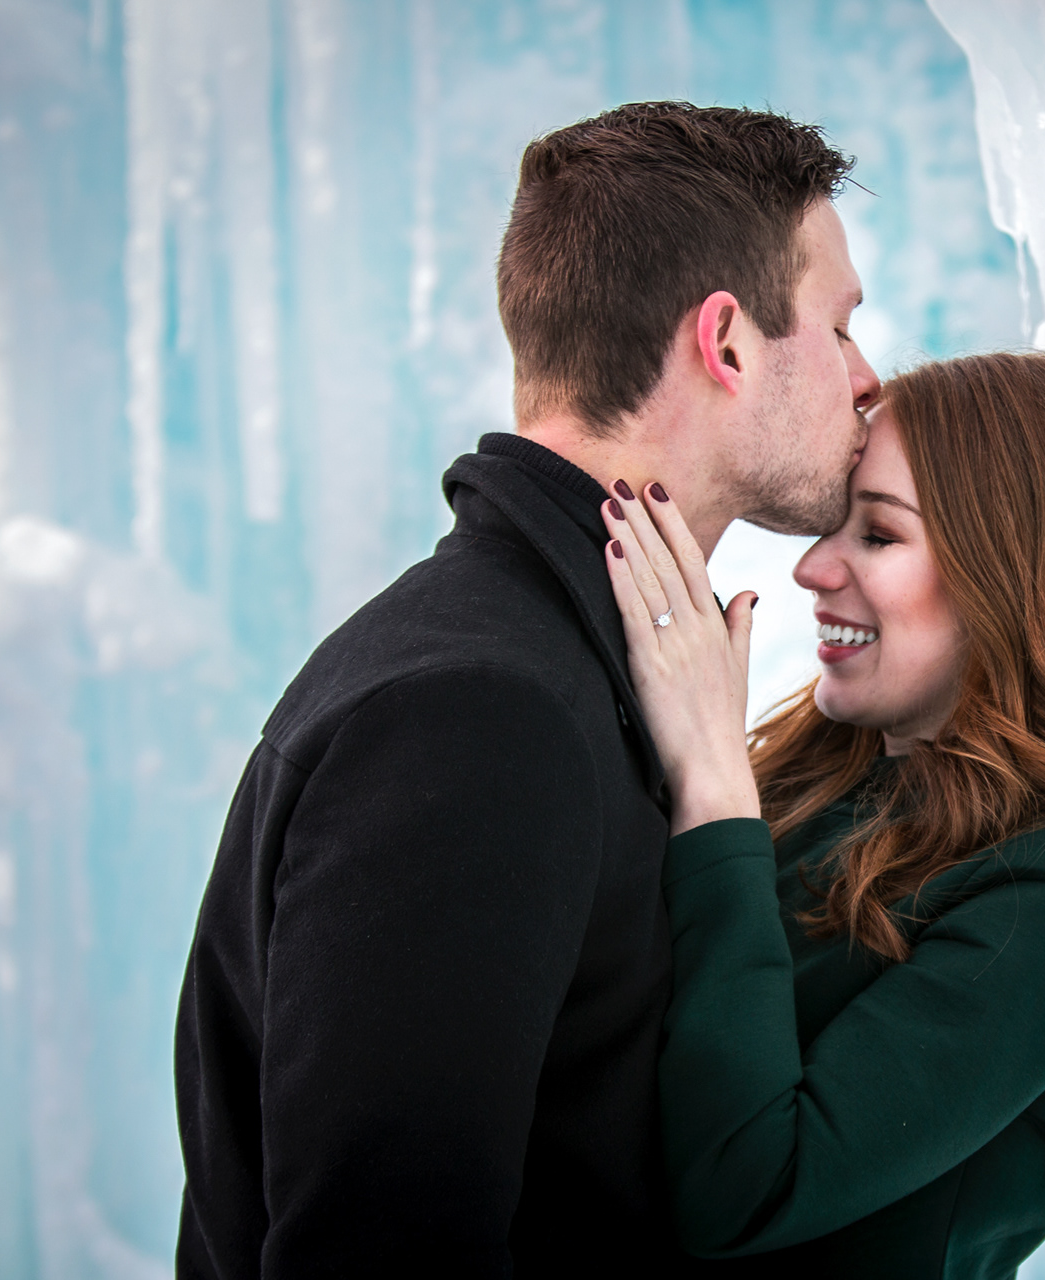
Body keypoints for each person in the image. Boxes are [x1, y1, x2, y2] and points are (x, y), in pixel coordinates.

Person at [173, 102, 880, 1276]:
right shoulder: (474, 716)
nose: (865, 378)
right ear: (727, 341)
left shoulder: (557, 669)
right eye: (842, 325)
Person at [598, 350, 1045, 1277]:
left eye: (878, 535)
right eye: (833, 525)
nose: (812, 567)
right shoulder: (825, 774)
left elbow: (749, 1190)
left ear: (1014, 575)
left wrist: (710, 787)